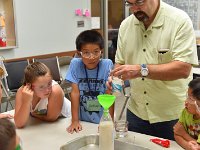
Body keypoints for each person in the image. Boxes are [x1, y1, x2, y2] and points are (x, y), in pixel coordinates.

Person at [108, 0, 198, 140]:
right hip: (136, 112)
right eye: (130, 4)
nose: (135, 9)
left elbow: (184, 68)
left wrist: (141, 70)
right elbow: (120, 63)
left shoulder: (179, 21)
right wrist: (115, 77)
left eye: (139, 2)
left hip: (172, 115)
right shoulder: (126, 26)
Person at [66, 30, 114, 134]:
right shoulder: (75, 64)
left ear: (101, 51)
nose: (91, 57)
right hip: (82, 122)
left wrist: (109, 122)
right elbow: (75, 93)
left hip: (101, 120)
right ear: (79, 53)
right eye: (86, 52)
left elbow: (109, 95)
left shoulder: (107, 65)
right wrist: (74, 121)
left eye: (96, 52)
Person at [14, 62, 71, 128]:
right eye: (41, 87)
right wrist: (26, 102)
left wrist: (33, 115)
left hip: (67, 120)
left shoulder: (55, 90)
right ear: (29, 85)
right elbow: (19, 124)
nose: (47, 90)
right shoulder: (21, 92)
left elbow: (51, 118)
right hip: (46, 125)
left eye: (49, 84)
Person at [174, 78, 200, 150]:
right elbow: (176, 133)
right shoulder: (186, 112)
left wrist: (183, 134)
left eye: (191, 99)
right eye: (187, 97)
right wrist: (187, 146)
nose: (186, 102)